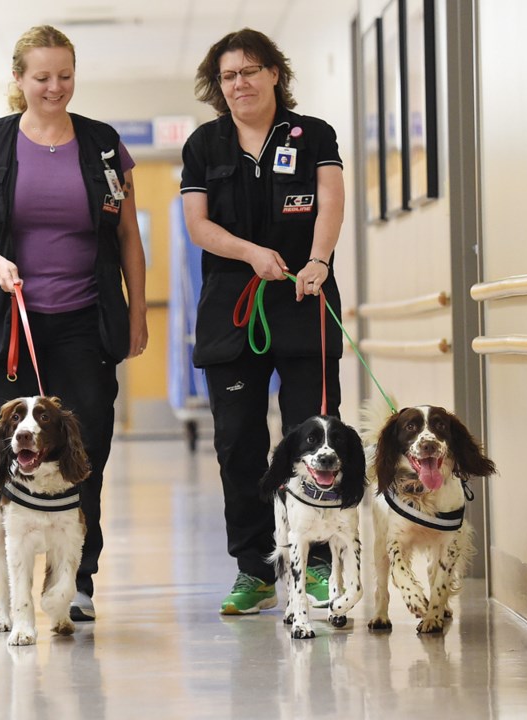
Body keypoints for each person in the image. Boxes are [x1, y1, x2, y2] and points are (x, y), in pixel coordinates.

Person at [0, 25, 148, 622]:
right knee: (6, 458)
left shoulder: (103, 145)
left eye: (64, 75)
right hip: (9, 321)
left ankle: (76, 579)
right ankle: (7, 593)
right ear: (18, 79)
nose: (55, 87)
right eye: (41, 77)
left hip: (83, 322)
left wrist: (137, 310)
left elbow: (128, 237)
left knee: (83, 450)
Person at [180, 28, 346, 615]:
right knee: (238, 445)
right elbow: (198, 226)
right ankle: (255, 569)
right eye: (228, 75)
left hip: (305, 297)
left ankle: (319, 566)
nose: (239, 83)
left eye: (250, 70)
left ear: (275, 73)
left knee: (316, 439)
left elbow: (330, 200)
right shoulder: (205, 145)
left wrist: (318, 261)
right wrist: (250, 252)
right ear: (217, 84)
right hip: (233, 305)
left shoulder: (313, 134)